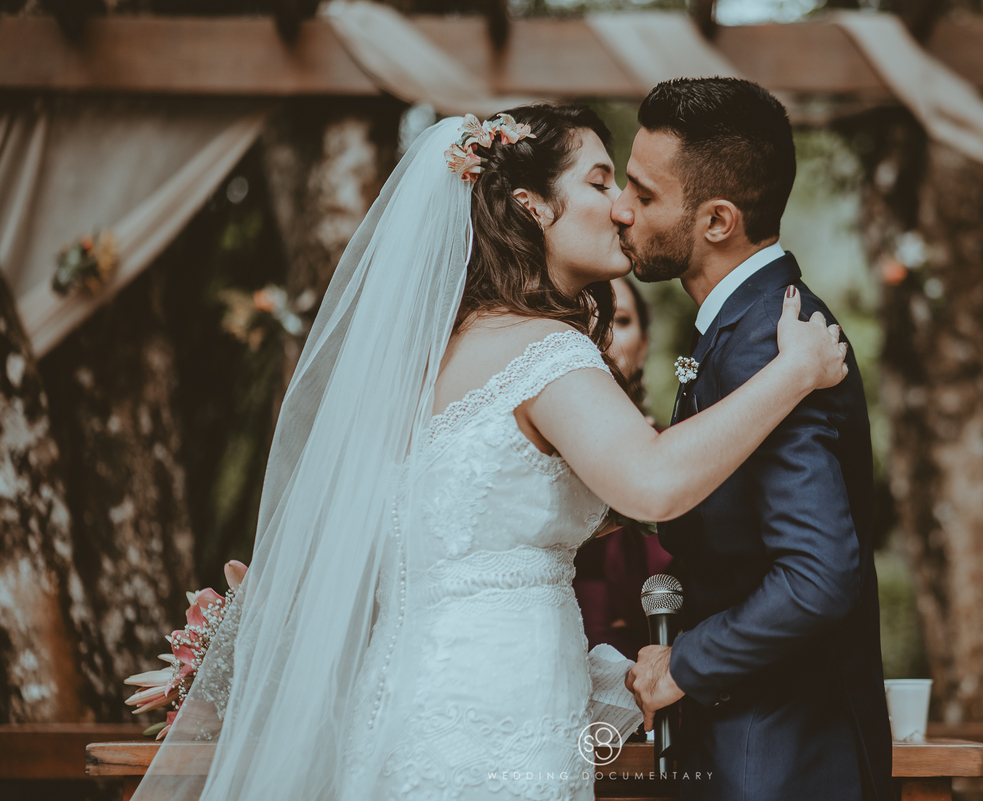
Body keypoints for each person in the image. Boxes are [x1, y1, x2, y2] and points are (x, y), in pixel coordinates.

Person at [130, 104, 847, 801]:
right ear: (532, 207)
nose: (624, 208)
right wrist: (796, 370)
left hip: (404, 705)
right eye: (600, 182)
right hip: (494, 710)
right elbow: (653, 484)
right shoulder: (549, 353)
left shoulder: (435, 356)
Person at [616, 78, 893, 801]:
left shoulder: (766, 343)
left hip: (778, 757)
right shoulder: (748, 327)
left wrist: (684, 664)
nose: (620, 208)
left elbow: (817, 576)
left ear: (717, 220)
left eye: (643, 195)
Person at [573, 276, 675, 661]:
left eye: (621, 320)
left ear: (645, 343)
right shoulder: (528, 453)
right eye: (585, 318)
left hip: (644, 665)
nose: (603, 334)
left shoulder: (675, 454)